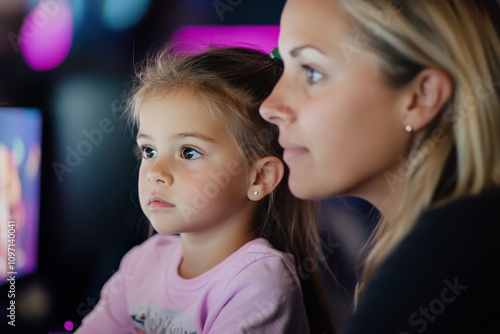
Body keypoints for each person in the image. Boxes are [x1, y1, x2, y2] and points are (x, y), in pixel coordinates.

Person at [259, 0, 500, 333]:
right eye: (282, 66)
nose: (269, 107)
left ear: (421, 98)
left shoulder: (453, 251)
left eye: (312, 72)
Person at [75, 46, 335, 334]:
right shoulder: (143, 261)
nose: (156, 174)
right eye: (149, 151)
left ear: (258, 178)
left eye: (188, 152)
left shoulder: (258, 283)